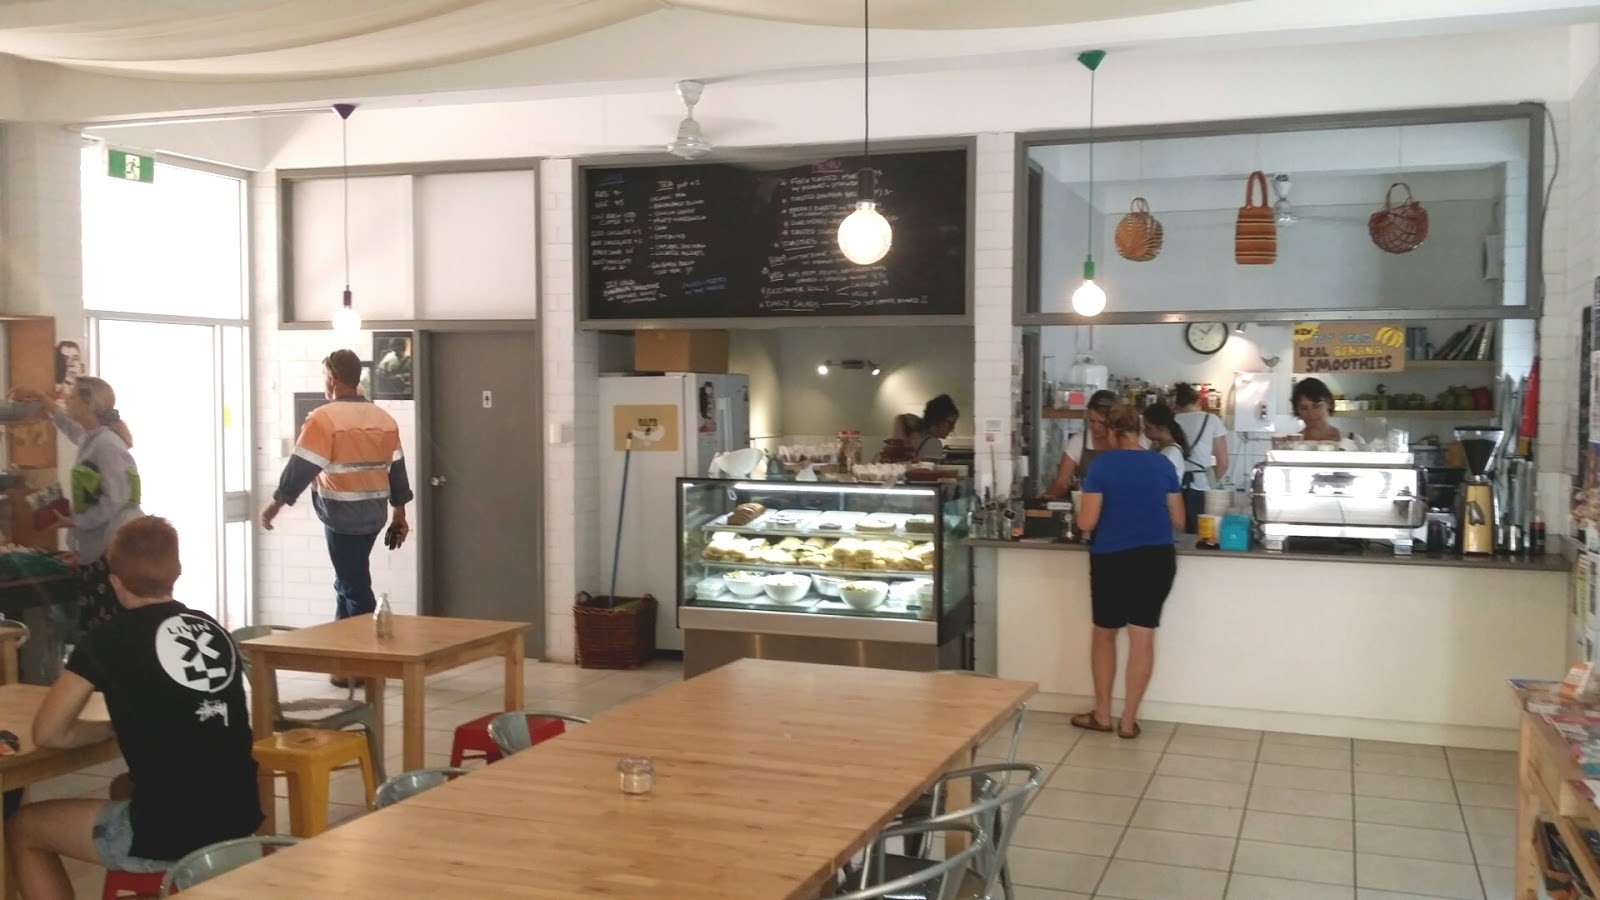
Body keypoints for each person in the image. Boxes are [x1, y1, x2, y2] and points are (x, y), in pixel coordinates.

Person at [9, 517, 262, 900]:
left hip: (170, 835)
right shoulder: (213, 630)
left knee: (23, 828)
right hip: (239, 821)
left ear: (114, 580)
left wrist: (107, 728)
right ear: (177, 571)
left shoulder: (107, 641)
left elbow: (48, 732)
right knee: (122, 787)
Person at [262, 350, 413, 673]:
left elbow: (300, 468)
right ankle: (343, 666)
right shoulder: (383, 419)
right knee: (346, 582)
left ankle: (369, 666)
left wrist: (274, 507)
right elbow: (397, 471)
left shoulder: (324, 419)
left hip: (341, 518)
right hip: (374, 517)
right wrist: (400, 515)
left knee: (354, 588)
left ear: (331, 378)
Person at [1071, 404, 1184, 740]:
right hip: (1156, 559)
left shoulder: (1102, 466)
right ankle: (1127, 721)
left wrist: (1081, 514)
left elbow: (1087, 522)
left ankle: (1102, 715)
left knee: (1105, 634)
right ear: (1139, 430)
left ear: (1111, 431)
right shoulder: (1162, 463)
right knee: (1142, 637)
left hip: (1112, 559)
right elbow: (1179, 520)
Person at [9, 378, 141, 631]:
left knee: (107, 625)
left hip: (114, 546)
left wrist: (75, 521)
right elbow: (67, 424)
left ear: (87, 404)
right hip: (100, 546)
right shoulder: (92, 438)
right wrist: (40, 396)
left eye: (72, 398)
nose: (67, 401)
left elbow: (115, 499)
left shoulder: (107, 445)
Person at [1044, 389, 1118, 499]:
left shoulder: (1125, 443)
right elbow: (1062, 482)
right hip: (1086, 504)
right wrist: (1049, 496)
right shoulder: (1078, 442)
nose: (1095, 427)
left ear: (1114, 421)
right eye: (1092, 421)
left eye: (1102, 423)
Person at [1172, 383, 1229, 490]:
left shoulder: (1169, 421)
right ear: (1198, 401)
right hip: (1201, 485)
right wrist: (1212, 482)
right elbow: (1223, 463)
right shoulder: (1211, 420)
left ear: (1176, 404)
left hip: (1173, 484)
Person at [1291, 377, 1355, 447]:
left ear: (1328, 403)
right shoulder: (1292, 444)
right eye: (1304, 408)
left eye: (1316, 406)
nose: (1311, 413)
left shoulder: (1352, 441)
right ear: (1297, 410)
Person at [1141, 403, 1191, 482]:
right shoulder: (1160, 448)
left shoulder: (1171, 453)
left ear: (1162, 428)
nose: (1144, 430)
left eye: (1148, 427)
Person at [912, 395, 960, 461]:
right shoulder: (933, 444)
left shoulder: (916, 436)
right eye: (951, 424)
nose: (953, 428)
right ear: (938, 420)